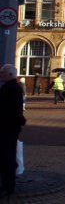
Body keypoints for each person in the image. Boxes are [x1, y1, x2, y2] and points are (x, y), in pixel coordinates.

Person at [0, 64, 26, 198]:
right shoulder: (10, 87)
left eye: (3, 73)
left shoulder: (12, 88)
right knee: (7, 156)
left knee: (7, 157)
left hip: (8, 128)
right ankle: (7, 184)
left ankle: (8, 186)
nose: (1, 75)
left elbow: (13, 110)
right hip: (9, 127)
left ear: (10, 75)